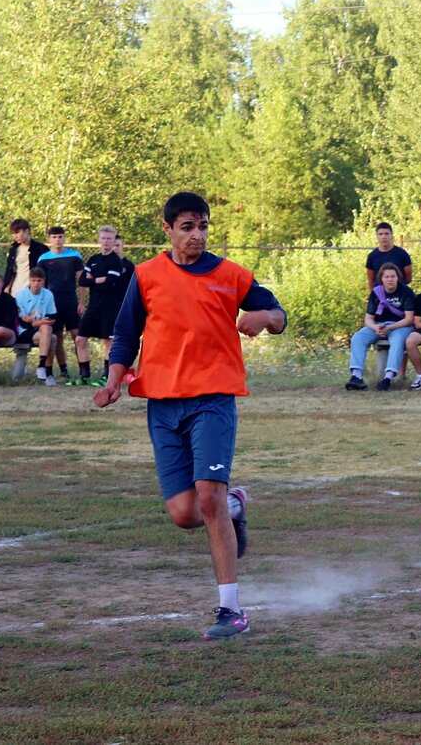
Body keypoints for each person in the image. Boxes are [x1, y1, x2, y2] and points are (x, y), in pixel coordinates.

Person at [93, 192, 287, 641]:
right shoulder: (146, 276)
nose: (196, 235)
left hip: (213, 401)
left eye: (202, 226)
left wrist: (263, 319)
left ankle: (231, 611)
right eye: (186, 227)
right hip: (162, 404)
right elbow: (125, 335)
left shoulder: (231, 275)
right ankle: (234, 504)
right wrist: (112, 381)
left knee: (207, 498)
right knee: (184, 514)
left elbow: (278, 315)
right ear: (168, 230)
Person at [345, 262, 415, 391]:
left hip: (400, 326)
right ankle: (356, 376)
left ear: (398, 277)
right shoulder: (376, 293)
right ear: (381, 279)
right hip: (379, 326)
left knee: (398, 340)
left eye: (393, 276)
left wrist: (389, 328)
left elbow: (409, 319)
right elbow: (368, 319)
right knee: (358, 338)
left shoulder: (406, 292)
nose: (390, 279)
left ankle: (388, 377)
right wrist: (376, 328)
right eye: (386, 277)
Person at [75, 225, 132, 386]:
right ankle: (84, 376)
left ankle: (106, 377)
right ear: (99, 239)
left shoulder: (115, 261)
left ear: (114, 240)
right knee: (80, 339)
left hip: (110, 307)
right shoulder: (93, 259)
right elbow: (81, 281)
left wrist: (93, 280)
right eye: (104, 238)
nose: (106, 241)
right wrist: (97, 280)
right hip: (93, 306)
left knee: (108, 342)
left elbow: (108, 284)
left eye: (109, 238)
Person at [36, 226, 88, 383]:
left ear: (64, 238)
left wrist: (81, 302)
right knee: (57, 338)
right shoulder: (43, 259)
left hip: (71, 302)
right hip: (53, 305)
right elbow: (41, 285)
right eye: (54, 237)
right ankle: (62, 371)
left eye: (60, 236)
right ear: (49, 239)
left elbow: (82, 281)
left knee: (77, 335)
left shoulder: (75, 256)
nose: (57, 240)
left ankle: (84, 372)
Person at [12, 267, 57, 384]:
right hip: (23, 331)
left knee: (49, 331)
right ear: (29, 280)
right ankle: (47, 372)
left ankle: (43, 369)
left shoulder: (48, 294)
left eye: (39, 280)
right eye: (34, 280)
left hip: (40, 330)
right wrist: (40, 322)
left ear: (44, 281)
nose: (36, 283)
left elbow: (52, 318)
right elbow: (22, 322)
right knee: (52, 338)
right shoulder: (21, 296)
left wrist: (35, 321)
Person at [4, 218, 49, 298]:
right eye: (13, 233)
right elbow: (12, 271)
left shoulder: (41, 249)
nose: (15, 236)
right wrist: (7, 288)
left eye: (17, 232)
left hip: (35, 291)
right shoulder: (13, 249)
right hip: (16, 290)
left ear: (26, 231)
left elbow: (47, 272)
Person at [366, 222, 413, 289]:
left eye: (386, 234)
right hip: (380, 296)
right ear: (377, 236)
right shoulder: (372, 256)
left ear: (391, 235)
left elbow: (408, 278)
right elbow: (370, 280)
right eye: (380, 234)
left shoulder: (402, 254)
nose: (384, 237)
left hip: (399, 295)